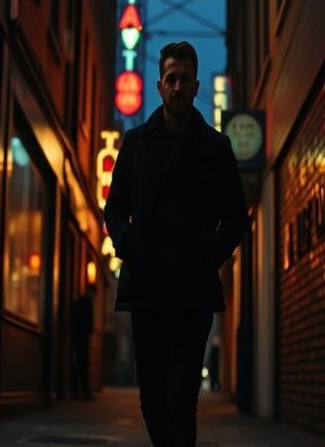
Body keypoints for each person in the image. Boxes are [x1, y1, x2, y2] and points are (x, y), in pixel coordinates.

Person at [104, 41, 249, 447]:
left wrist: (209, 254)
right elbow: (114, 208)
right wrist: (130, 243)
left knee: (181, 397)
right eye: (171, 79)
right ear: (159, 86)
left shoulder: (216, 148)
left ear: (196, 85)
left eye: (185, 79)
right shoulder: (135, 144)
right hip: (146, 287)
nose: (178, 87)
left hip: (193, 290)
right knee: (151, 397)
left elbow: (237, 216)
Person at [70, 284, 96, 401]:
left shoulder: (81, 302)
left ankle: (77, 391)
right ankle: (83, 392)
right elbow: (87, 322)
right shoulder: (85, 303)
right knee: (82, 364)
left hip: (78, 337)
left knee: (80, 364)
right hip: (81, 337)